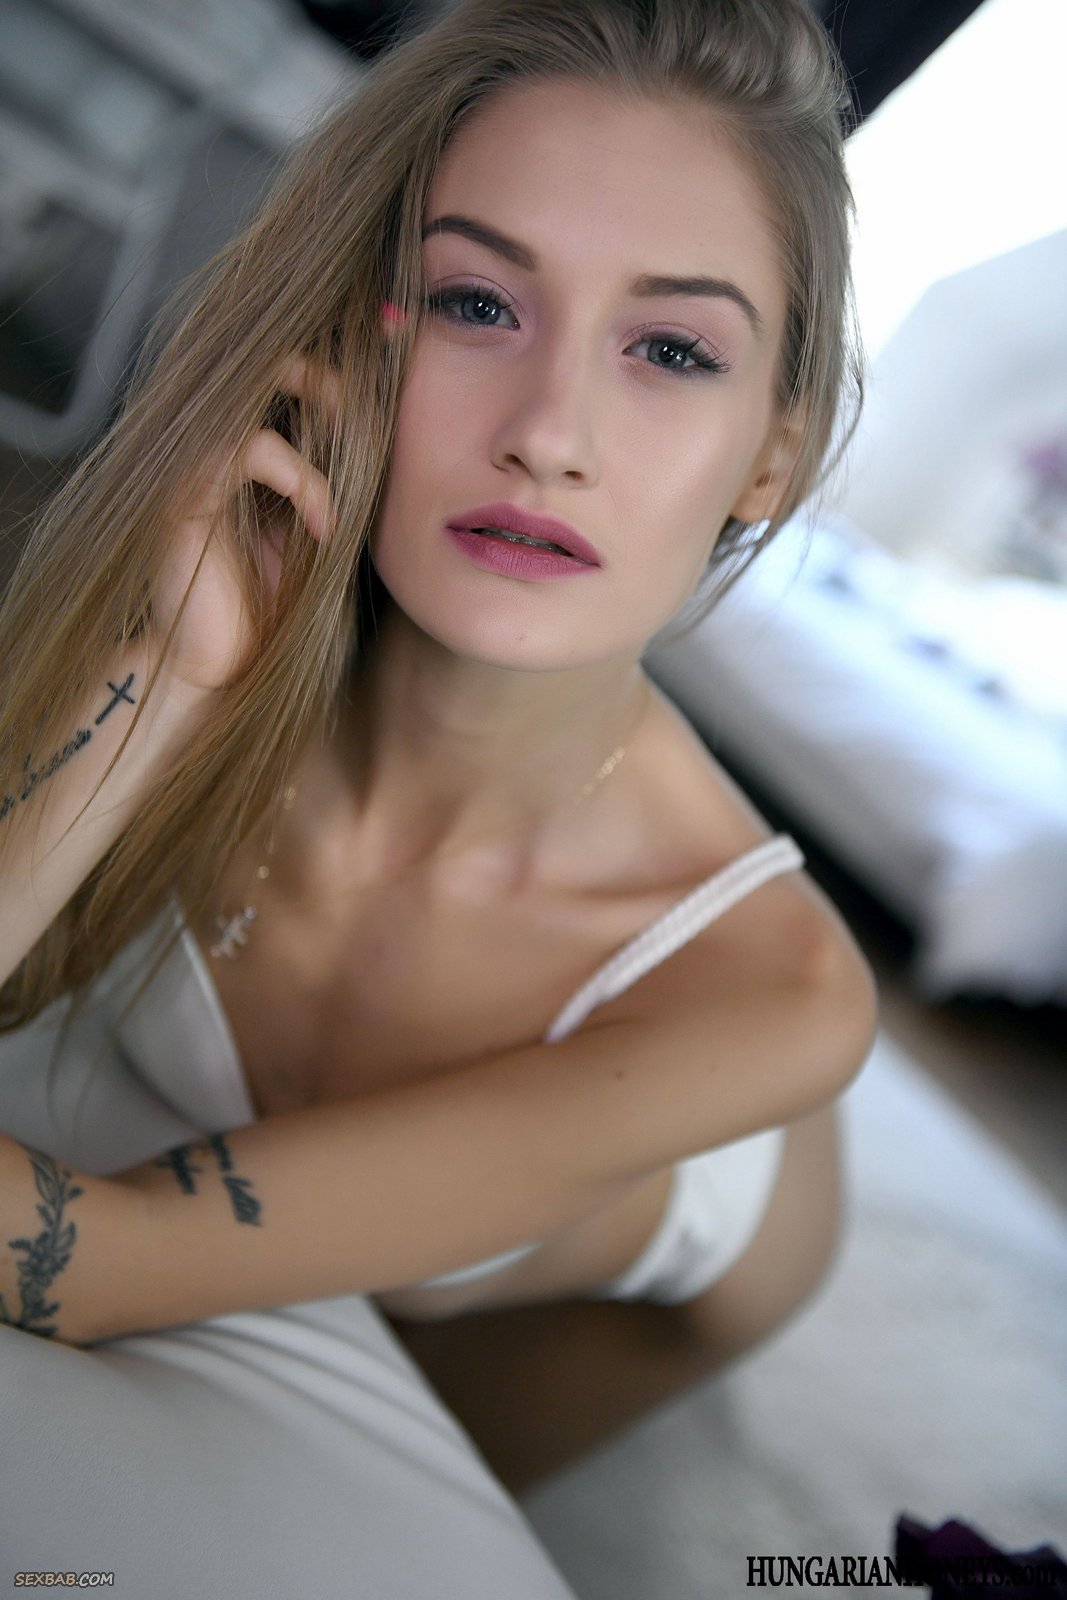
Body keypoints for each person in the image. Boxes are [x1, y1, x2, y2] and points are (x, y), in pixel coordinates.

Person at [0, 0, 877, 1583]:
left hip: (681, 1232)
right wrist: (167, 685)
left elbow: (88, 1263)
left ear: (771, 458)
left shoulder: (784, 1006)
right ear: (355, 340)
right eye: (478, 303)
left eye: (672, 350)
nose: (549, 437)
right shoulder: (201, 623)